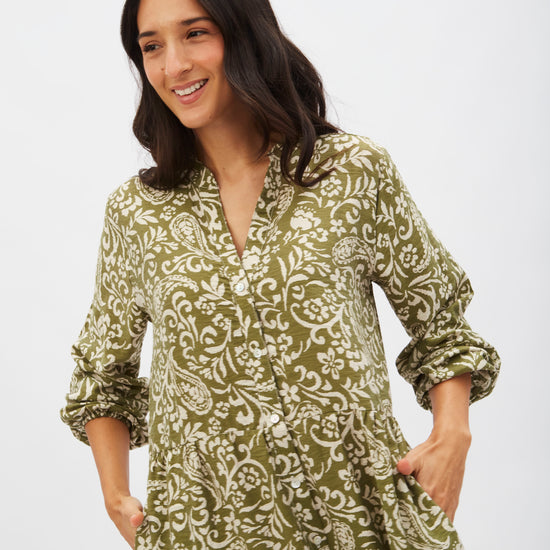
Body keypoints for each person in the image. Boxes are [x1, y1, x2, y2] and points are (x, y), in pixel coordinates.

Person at [60, 0, 501, 548]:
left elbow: (440, 323)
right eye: (152, 46)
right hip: (209, 528)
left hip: (359, 520)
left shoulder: (349, 172)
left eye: (195, 34)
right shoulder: (136, 212)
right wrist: (115, 494)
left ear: (245, 32)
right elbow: (103, 375)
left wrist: (452, 434)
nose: (173, 65)